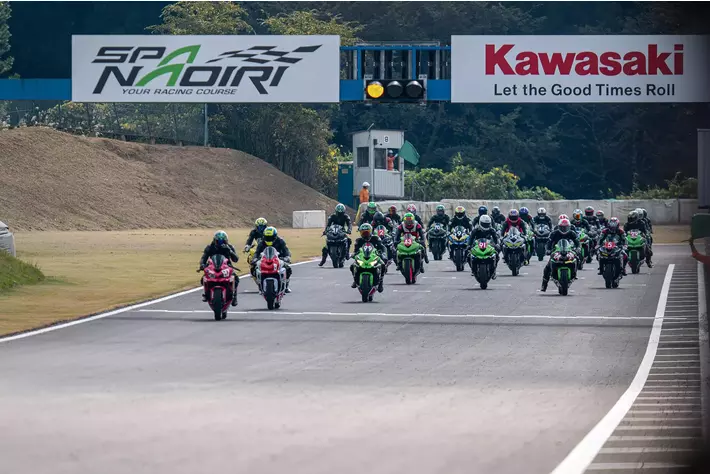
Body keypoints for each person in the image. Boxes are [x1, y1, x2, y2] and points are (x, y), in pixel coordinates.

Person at [199, 230, 240, 306]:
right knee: (203, 279)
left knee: (236, 279)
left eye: (223, 241)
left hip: (227, 267)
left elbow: (236, 259)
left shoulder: (230, 247)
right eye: (219, 241)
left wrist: (230, 251)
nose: (221, 243)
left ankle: (234, 297)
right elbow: (203, 258)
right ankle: (206, 294)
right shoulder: (209, 247)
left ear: (226, 241)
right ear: (215, 240)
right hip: (212, 267)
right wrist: (202, 265)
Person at [540, 218, 581, 292]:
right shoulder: (554, 233)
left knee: (577, 259)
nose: (564, 229)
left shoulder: (572, 233)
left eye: (566, 227)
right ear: (559, 227)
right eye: (562, 227)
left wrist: (578, 248)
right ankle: (544, 285)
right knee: (547, 267)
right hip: (556, 251)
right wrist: (548, 250)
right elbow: (549, 242)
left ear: (569, 227)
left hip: (569, 250)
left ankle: (574, 273)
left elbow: (577, 242)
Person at [252, 226, 293, 293]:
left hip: (279, 259)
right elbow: (257, 252)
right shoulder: (262, 242)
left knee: (288, 269)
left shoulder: (280, 241)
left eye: (271, 237)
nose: (269, 239)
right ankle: (260, 285)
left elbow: (286, 250)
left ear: (275, 236)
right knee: (254, 268)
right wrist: (255, 258)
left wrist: (287, 257)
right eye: (267, 237)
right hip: (264, 259)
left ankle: (286, 286)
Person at [350, 223, 388, 292]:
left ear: (370, 231)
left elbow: (382, 247)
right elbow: (356, 250)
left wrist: (383, 254)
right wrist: (353, 255)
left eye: (366, 232)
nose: (365, 234)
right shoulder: (359, 240)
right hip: (362, 257)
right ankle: (355, 280)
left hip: (374, 256)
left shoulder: (376, 238)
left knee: (383, 265)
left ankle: (381, 282)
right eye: (363, 232)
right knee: (352, 266)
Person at [469, 214, 501, 279]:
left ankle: (494, 270)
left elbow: (496, 238)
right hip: (477, 246)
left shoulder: (492, 230)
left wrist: (497, 244)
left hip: (488, 246)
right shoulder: (475, 230)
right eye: (484, 224)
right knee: (468, 255)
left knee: (496, 255)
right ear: (480, 223)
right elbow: (471, 239)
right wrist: (469, 245)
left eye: (487, 224)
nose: (486, 225)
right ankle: (473, 269)